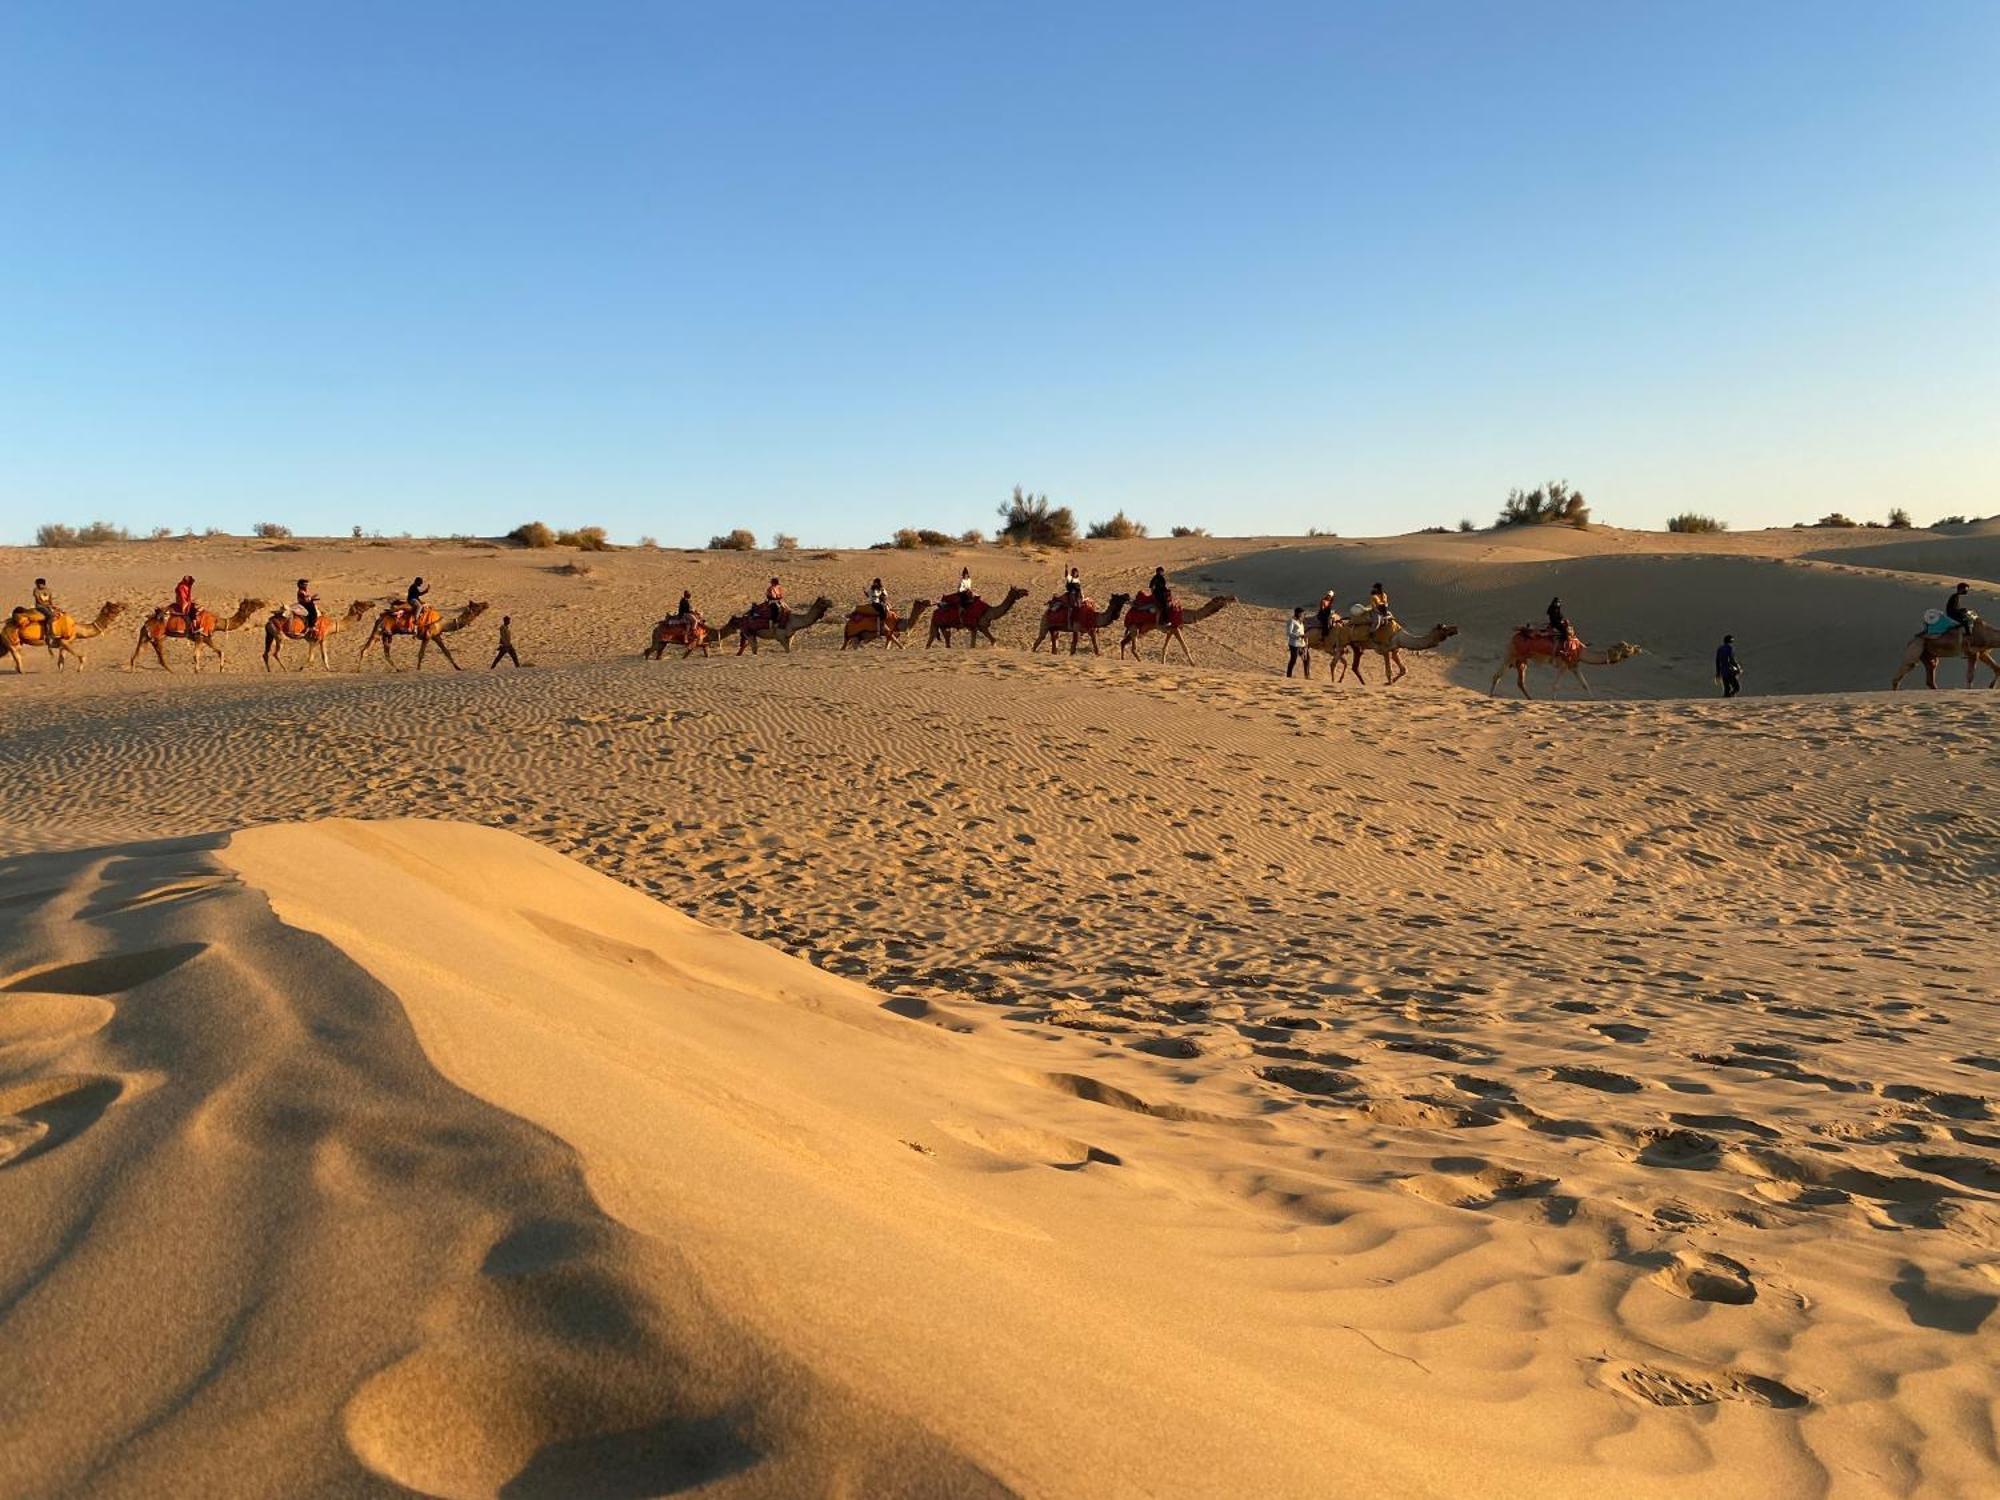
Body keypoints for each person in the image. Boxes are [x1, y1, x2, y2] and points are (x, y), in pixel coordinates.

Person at [1286, 607, 1308, 677]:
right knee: (1293, 660)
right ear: (1298, 613)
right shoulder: (1292, 621)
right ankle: (1288, 675)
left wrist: (1304, 639)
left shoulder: (1301, 622)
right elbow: (1289, 633)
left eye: (1303, 614)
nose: (1303, 615)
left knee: (1306, 659)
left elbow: (1302, 631)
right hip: (1294, 644)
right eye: (1302, 613)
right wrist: (1299, 636)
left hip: (1302, 644)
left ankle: (1307, 675)